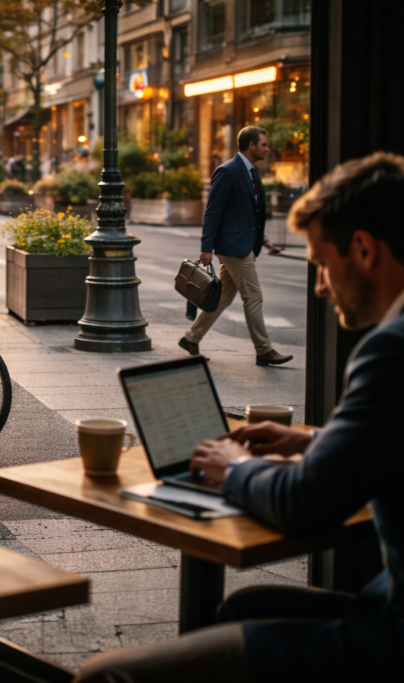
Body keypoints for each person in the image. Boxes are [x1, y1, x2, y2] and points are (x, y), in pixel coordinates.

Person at [73, 152, 404, 682]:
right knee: (245, 608)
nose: (319, 287)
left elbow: (304, 506)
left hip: (389, 640)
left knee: (106, 675)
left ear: (363, 249)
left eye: (321, 264)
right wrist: (310, 443)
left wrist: (234, 466)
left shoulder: (391, 349)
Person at [178, 126, 291, 366]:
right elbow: (213, 211)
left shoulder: (252, 171)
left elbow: (248, 213)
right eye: (263, 144)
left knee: (223, 298)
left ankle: (191, 338)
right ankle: (264, 349)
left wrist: (263, 239)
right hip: (232, 246)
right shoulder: (227, 171)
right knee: (254, 296)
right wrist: (206, 246)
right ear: (251, 145)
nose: (266, 148)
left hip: (243, 242)